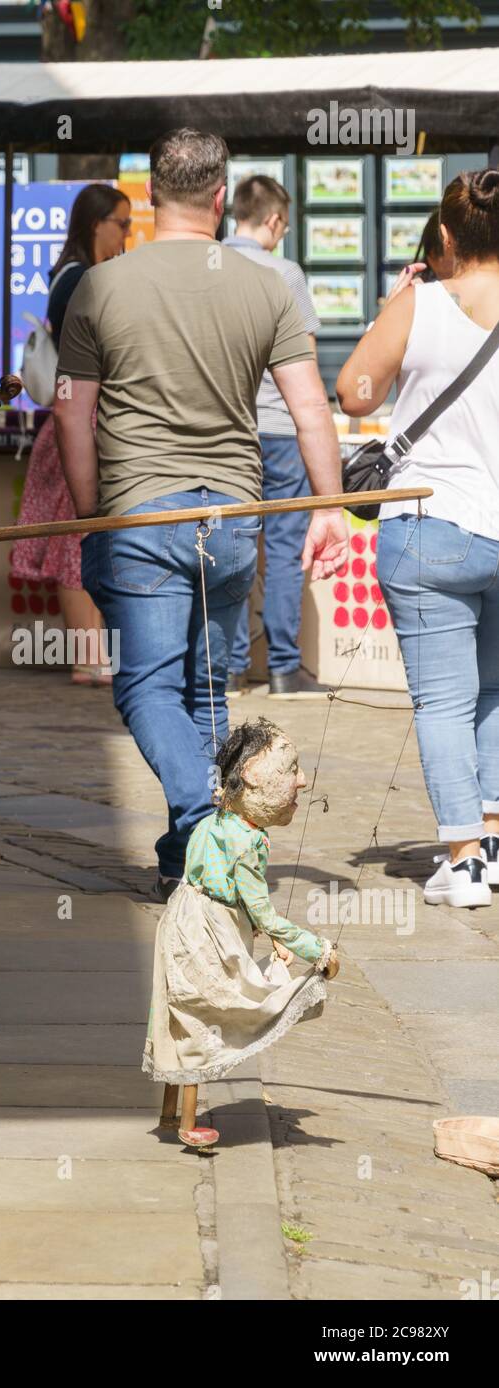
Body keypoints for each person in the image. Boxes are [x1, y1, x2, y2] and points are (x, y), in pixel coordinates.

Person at [55, 128, 347, 898]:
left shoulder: (103, 284)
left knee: (147, 689)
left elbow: (69, 415)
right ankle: (195, 856)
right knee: (208, 692)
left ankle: (204, 823)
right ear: (221, 198)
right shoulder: (267, 288)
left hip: (141, 516)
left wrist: (90, 513)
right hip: (235, 516)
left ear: (152, 194)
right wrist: (330, 509)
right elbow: (310, 406)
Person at [337, 168, 499, 911]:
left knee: (443, 701)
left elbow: (354, 392)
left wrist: (394, 315)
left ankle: (463, 857)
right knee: (495, 693)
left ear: (442, 238)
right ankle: (492, 838)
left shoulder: (421, 303)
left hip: (430, 526)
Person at [142, 718, 338, 1146]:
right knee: (204, 1014)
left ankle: (170, 1111)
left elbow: (223, 889)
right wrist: (315, 948)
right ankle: (191, 1126)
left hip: (181, 920)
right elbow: (262, 911)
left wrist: (268, 938)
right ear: (251, 776)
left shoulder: (214, 821)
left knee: (181, 1012)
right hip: (208, 932)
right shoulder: (249, 842)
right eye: (291, 770)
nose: (302, 782)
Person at [12, 184, 131, 685]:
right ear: (96, 223)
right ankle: (88, 656)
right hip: (82, 423)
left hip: (81, 421)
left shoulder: (75, 275)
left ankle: (94, 653)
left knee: (88, 537)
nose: (127, 234)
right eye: (122, 223)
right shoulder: (81, 279)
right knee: (78, 540)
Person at [222, 175, 327, 699]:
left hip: (229, 431)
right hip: (283, 430)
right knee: (284, 550)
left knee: (233, 546)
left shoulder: (208, 265)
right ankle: (285, 669)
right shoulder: (285, 273)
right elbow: (303, 360)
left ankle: (232, 667)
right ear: (274, 220)